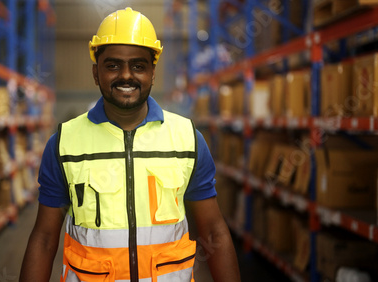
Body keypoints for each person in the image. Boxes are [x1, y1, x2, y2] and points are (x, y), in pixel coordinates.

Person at [20, 7, 241, 282]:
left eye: (138, 65)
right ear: (95, 72)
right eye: (113, 65)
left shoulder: (187, 140)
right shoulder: (64, 145)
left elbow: (213, 231)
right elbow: (43, 238)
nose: (126, 75)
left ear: (152, 72)